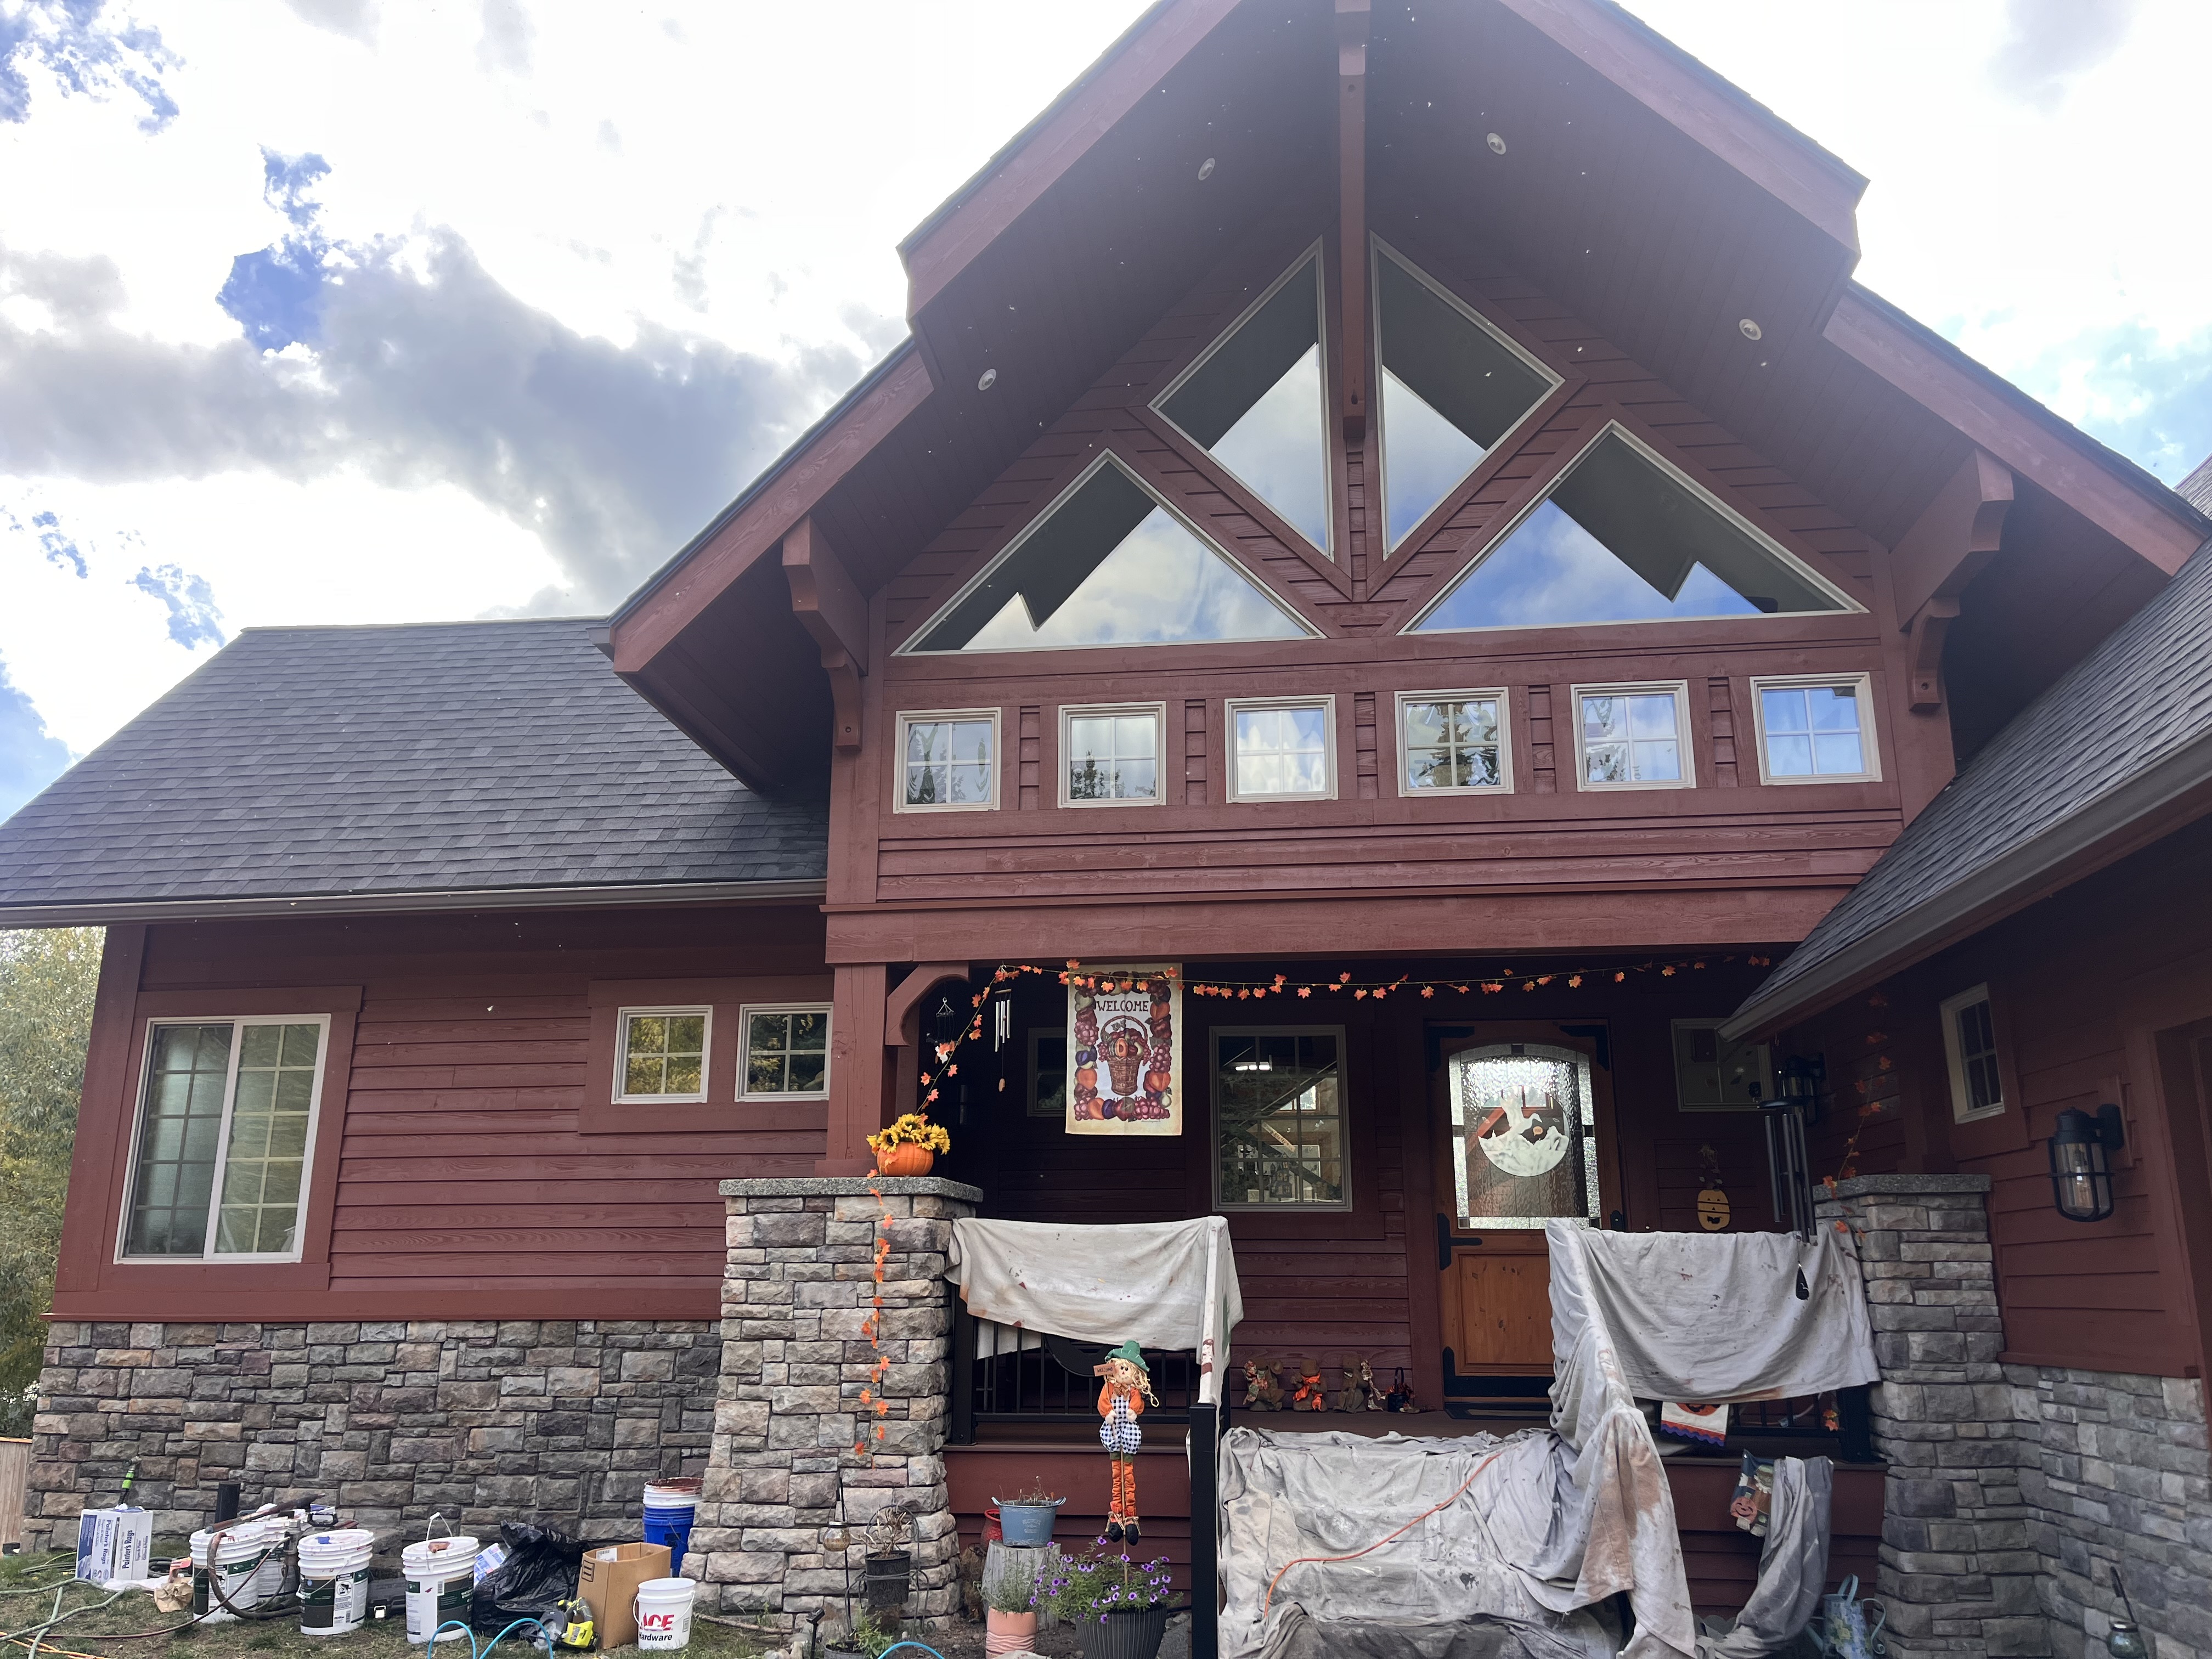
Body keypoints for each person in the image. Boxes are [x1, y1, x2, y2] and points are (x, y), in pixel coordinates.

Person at [1094, 1340, 1157, 1544]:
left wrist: (1133, 1410)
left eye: (1127, 1369)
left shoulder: (1133, 1391)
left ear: (1135, 1373)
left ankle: (1130, 1515)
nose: (1122, 1372)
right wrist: (1108, 1413)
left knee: (1128, 1476)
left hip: (1128, 1432)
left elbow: (1137, 1404)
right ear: (1114, 1367)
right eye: (1121, 1368)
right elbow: (1103, 1403)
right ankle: (1116, 1515)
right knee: (1117, 1475)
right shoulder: (1108, 1387)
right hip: (1113, 1431)